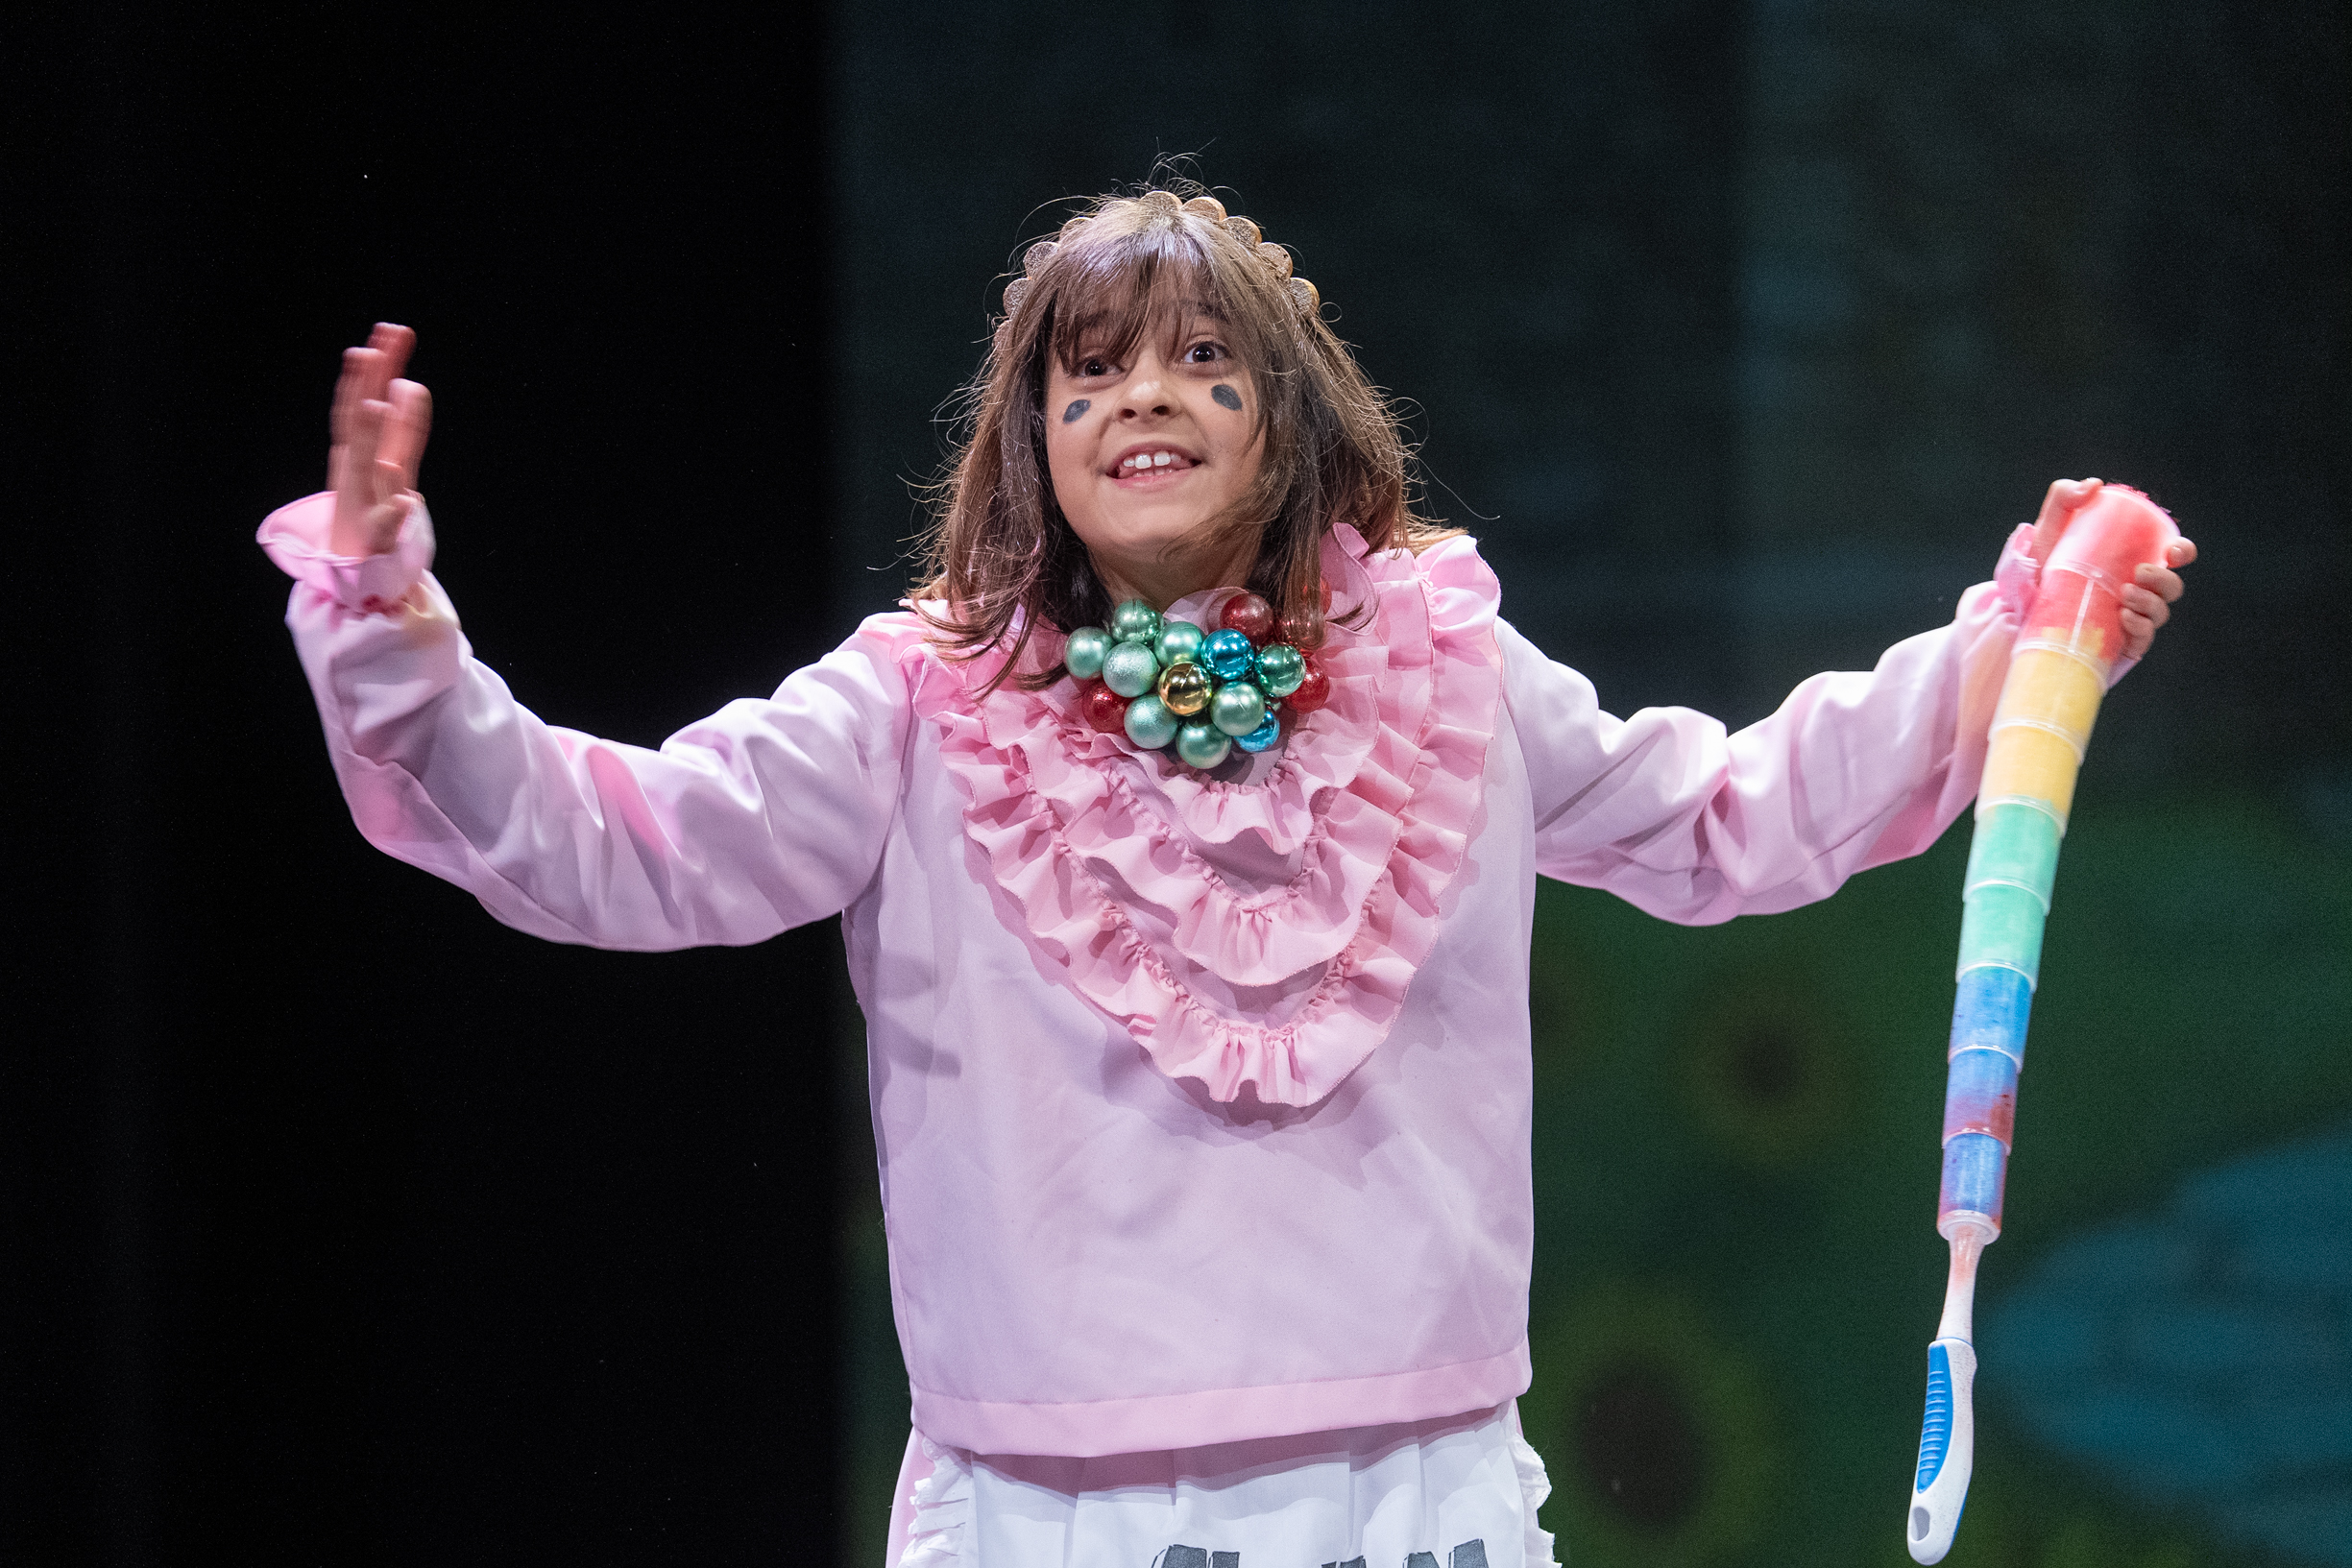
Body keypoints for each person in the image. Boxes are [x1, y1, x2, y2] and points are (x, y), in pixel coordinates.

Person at [257, 185, 2194, 1566]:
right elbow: (617, 841)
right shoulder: (915, 704)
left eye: (1201, 362)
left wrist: (2012, 654)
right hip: (1048, 1514)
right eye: (1088, 374)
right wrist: (387, 622)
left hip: (1415, 1494)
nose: (1142, 400)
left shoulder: (1449, 670)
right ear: (1033, 441)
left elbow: (1726, 814)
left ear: (1283, 424)